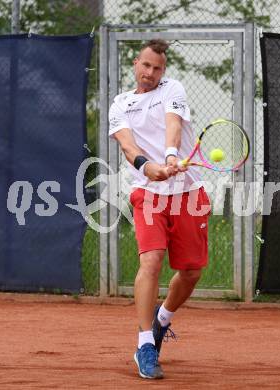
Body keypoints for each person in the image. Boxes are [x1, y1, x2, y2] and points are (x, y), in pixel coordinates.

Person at [109, 39, 211, 379]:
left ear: (162, 71)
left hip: (188, 192)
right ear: (135, 63)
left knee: (192, 271)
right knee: (150, 261)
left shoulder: (173, 89)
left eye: (156, 68)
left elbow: (174, 124)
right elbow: (127, 145)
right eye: (145, 65)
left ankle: (161, 319)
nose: (149, 73)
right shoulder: (120, 104)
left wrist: (169, 156)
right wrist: (146, 166)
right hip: (147, 193)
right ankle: (145, 346)